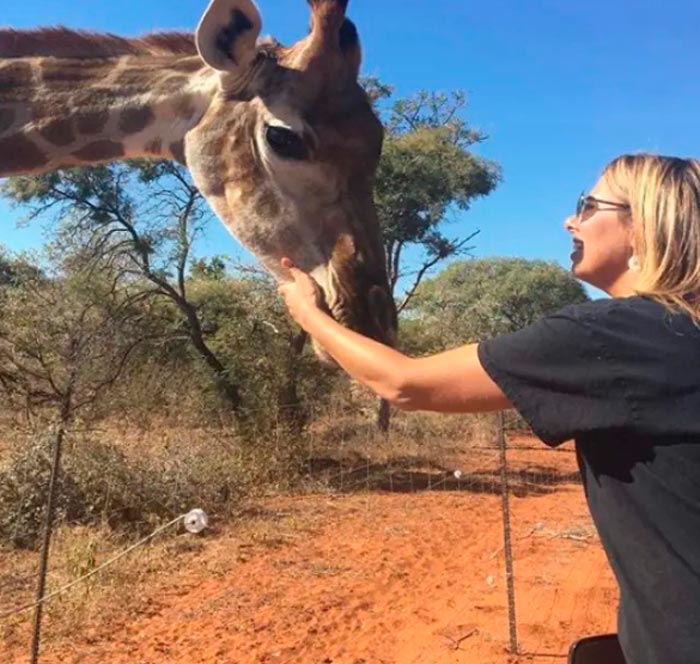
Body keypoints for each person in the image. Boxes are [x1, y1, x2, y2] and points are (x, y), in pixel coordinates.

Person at [278, 153, 700, 664]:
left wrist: (308, 313)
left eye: (588, 205)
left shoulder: (613, 336)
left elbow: (405, 383)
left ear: (643, 226)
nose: (571, 219)